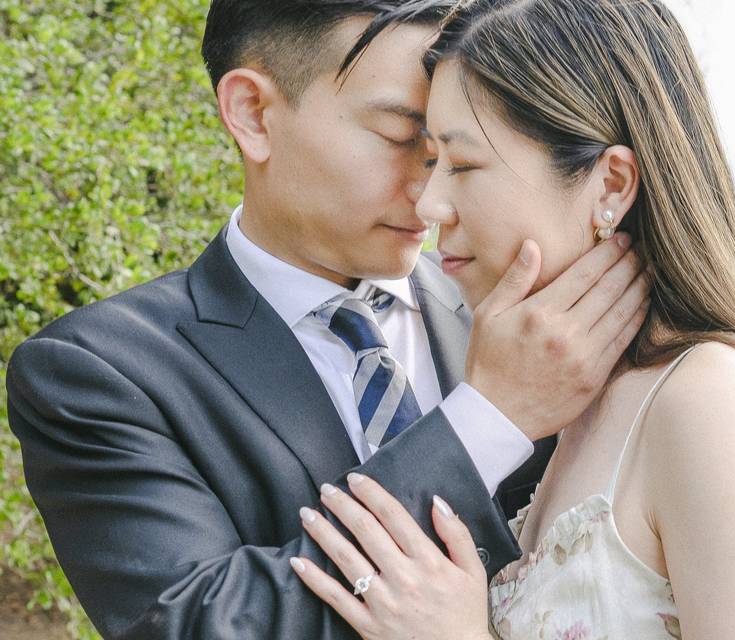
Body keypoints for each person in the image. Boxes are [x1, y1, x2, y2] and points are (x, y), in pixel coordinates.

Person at [4, 1, 652, 638]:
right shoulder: (95, 373)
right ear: (253, 113)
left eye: (453, 151)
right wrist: (487, 422)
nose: (432, 193)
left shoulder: (550, 313)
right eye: (403, 138)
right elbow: (201, 623)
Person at [291, 1, 735, 639]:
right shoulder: (571, 400)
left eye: (464, 165)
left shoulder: (706, 396)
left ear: (611, 184)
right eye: (430, 162)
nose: (431, 203)